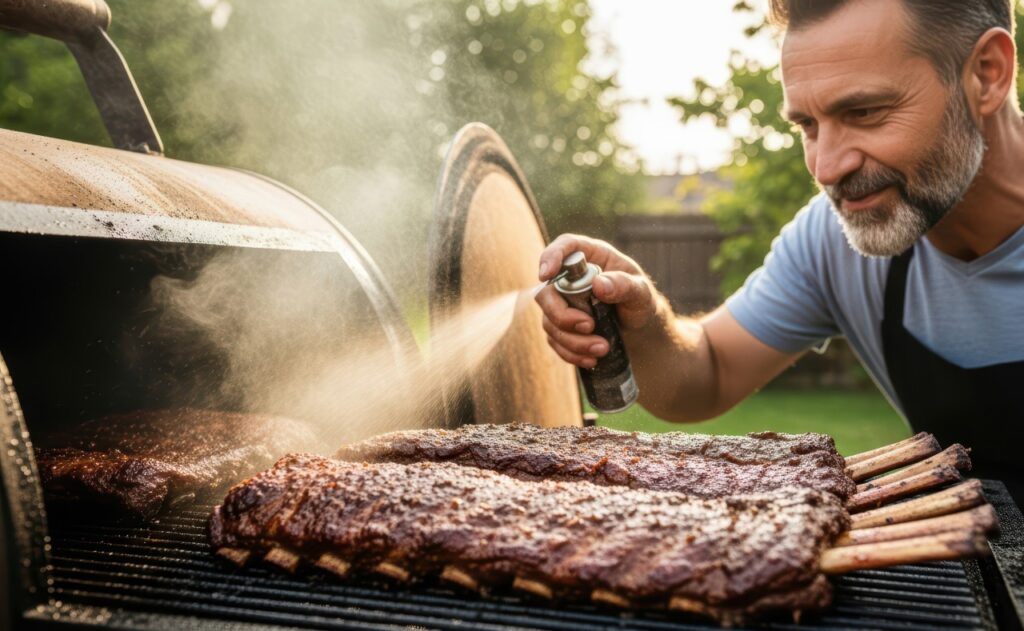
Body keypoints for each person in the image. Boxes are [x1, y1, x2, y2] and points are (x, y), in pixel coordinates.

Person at [535, 0, 1024, 506]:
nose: (827, 167)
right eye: (808, 126)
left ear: (987, 74)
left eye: (865, 112)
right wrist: (642, 318)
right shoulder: (833, 239)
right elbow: (710, 371)